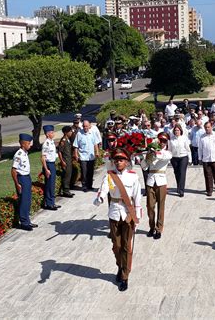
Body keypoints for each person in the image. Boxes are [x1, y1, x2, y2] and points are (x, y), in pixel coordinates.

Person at [94, 148, 142, 292]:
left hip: (128, 214)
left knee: (127, 247)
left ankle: (125, 276)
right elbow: (104, 189)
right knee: (117, 246)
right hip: (114, 213)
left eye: (121, 160)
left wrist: (137, 216)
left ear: (127, 162)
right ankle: (120, 267)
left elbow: (137, 196)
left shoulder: (133, 177)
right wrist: (100, 198)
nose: (118, 162)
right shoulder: (109, 176)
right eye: (116, 160)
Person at [140, 132, 172, 240]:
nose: (162, 143)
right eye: (160, 140)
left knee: (161, 207)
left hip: (161, 181)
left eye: (164, 141)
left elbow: (163, 157)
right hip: (150, 180)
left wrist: (154, 152)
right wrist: (147, 156)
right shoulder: (152, 153)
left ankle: (159, 229)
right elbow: (144, 167)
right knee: (150, 206)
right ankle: (151, 227)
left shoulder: (167, 153)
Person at [11, 133, 37, 231]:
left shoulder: (25, 153)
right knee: (23, 201)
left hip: (27, 177)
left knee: (27, 200)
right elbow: (13, 170)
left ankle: (27, 220)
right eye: (29, 143)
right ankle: (24, 223)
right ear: (23, 144)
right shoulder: (19, 155)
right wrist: (17, 183)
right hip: (21, 178)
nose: (30, 145)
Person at [198, 122, 215, 196]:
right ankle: (209, 190)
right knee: (208, 175)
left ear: (211, 127)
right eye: (206, 127)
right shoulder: (202, 137)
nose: (207, 129)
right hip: (206, 160)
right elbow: (200, 149)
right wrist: (200, 158)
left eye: (208, 127)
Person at [73, 120, 99, 192]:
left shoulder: (92, 133)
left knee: (90, 172)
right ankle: (84, 186)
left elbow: (95, 143)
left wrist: (97, 152)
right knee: (84, 172)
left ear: (89, 126)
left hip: (91, 156)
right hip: (83, 156)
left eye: (87, 126)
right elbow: (76, 146)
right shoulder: (79, 134)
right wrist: (76, 154)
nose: (85, 128)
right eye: (84, 126)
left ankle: (90, 186)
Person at [41, 125, 61, 211]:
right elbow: (43, 158)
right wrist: (46, 169)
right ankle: (49, 204)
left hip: (52, 164)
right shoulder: (46, 144)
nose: (53, 134)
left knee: (52, 184)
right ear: (47, 134)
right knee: (49, 185)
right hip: (48, 165)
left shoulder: (51, 142)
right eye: (52, 132)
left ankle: (52, 202)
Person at [168, 124, 191, 197]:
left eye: (178, 130)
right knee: (177, 173)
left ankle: (181, 190)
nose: (176, 132)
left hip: (183, 157)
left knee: (182, 173)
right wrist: (168, 159)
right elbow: (169, 150)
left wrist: (190, 159)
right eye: (175, 130)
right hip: (174, 158)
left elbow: (188, 149)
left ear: (180, 131)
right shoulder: (171, 140)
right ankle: (179, 186)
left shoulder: (184, 138)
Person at [58, 126, 75, 198]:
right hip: (65, 161)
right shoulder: (63, 140)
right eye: (70, 131)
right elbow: (59, 152)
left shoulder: (68, 140)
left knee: (69, 174)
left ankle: (67, 189)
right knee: (66, 176)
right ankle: (65, 191)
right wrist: (62, 161)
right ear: (66, 132)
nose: (71, 133)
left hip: (69, 160)